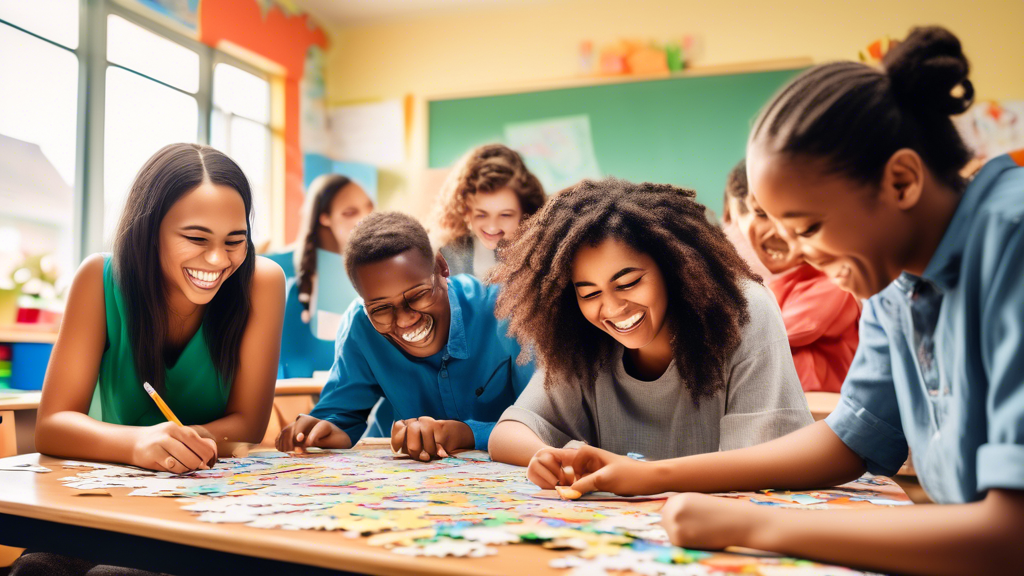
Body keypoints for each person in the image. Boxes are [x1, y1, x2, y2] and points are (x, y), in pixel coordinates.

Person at [563, 27, 1024, 575]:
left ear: (901, 181)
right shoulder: (891, 271)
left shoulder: (1010, 242)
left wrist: (752, 527)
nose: (796, 252)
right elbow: (847, 441)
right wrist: (651, 474)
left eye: (808, 226)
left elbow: (1009, 535)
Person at [12, 143, 285, 576]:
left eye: (235, 241)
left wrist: (179, 448)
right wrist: (139, 445)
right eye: (196, 239)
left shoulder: (262, 282)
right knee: (37, 570)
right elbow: (53, 424)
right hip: (108, 494)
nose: (217, 260)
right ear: (149, 230)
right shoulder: (98, 278)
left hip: (210, 501)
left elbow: (248, 422)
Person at [485, 178, 812, 488]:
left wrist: (647, 475)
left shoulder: (742, 310)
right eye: (589, 293)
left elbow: (766, 463)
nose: (612, 308)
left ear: (672, 269)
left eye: (628, 283)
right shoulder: (584, 340)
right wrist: (547, 457)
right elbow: (511, 431)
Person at [275, 212, 535, 460]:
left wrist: (467, 434)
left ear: (441, 267)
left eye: (418, 295)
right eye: (380, 309)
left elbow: (547, 423)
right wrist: (325, 430)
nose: (404, 320)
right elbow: (340, 415)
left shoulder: (508, 311)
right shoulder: (361, 325)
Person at [723, 158, 860, 392]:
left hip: (825, 407)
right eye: (760, 213)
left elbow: (784, 330)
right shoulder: (774, 285)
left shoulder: (833, 280)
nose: (780, 231)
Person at [431, 144, 545, 278]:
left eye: (505, 215)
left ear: (524, 211)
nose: (492, 227)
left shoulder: (541, 255)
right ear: (464, 210)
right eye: (481, 214)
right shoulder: (444, 252)